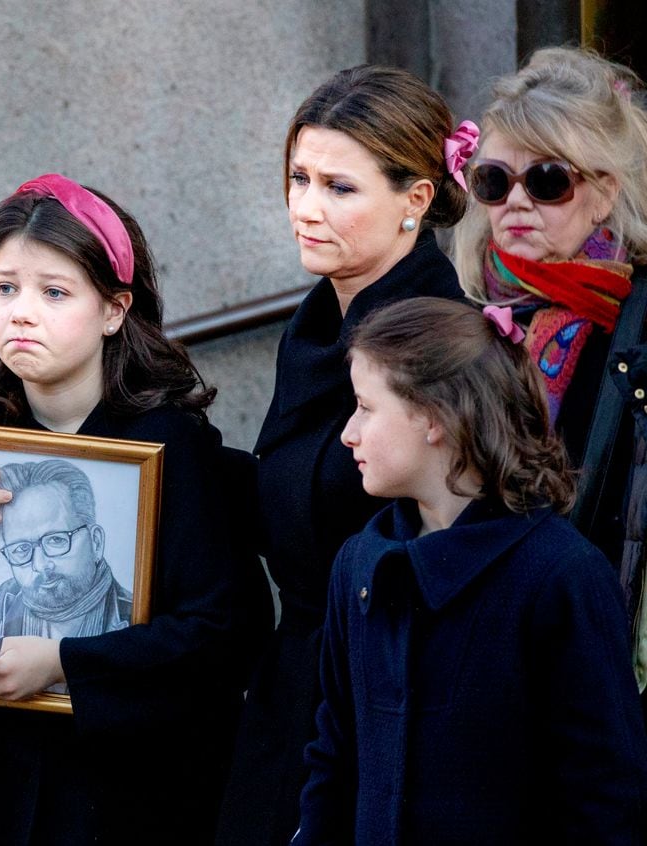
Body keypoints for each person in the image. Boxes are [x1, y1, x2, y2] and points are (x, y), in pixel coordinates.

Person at [0, 173, 251, 844]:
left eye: (54, 292)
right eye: (5, 287)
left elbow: (224, 635)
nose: (21, 311)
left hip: (129, 807)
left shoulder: (171, 449)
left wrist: (63, 662)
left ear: (113, 309)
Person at [218, 65, 472, 845]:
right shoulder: (316, 321)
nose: (305, 209)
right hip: (299, 679)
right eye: (299, 178)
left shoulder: (437, 342)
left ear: (416, 200)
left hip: (392, 696)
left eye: (339, 187)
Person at [291, 297, 647, 844]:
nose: (348, 433)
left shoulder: (562, 576)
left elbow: (605, 793)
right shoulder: (359, 563)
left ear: (434, 417)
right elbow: (333, 754)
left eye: (365, 407)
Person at [453, 47, 647, 685]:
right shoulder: (465, 315)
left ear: (602, 194)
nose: (515, 201)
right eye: (493, 181)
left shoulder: (637, 323)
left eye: (547, 180)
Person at [0, 459, 132, 639]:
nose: (40, 564)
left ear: (96, 542)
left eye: (56, 540)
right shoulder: (6, 599)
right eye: (21, 548)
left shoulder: (134, 616)